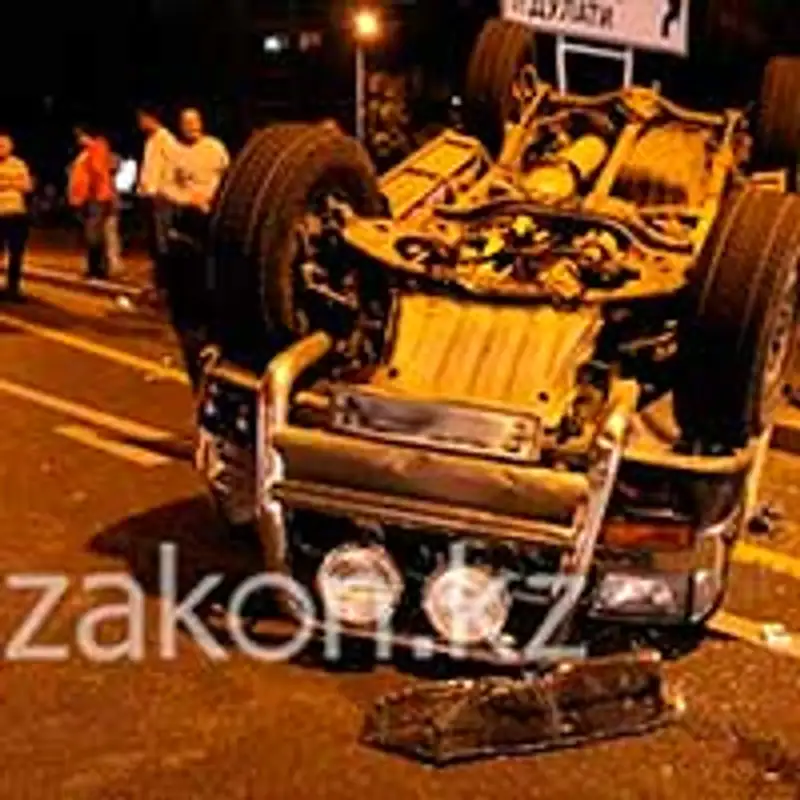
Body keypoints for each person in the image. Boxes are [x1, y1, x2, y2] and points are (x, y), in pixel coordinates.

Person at [160, 107, 230, 386]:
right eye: (185, 123)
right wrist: (188, 199)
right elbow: (165, 186)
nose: (191, 127)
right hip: (189, 218)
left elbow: (229, 175)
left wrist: (216, 199)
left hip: (215, 216)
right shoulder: (176, 153)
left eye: (194, 122)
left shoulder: (215, 148)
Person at [136, 105, 179, 292]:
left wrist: (162, 190)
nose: (140, 124)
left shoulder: (166, 139)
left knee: (163, 243)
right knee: (154, 243)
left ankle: (165, 284)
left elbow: (172, 167)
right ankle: (158, 283)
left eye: (142, 119)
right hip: (150, 196)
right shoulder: (152, 140)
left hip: (160, 197)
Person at [67, 125, 117, 279]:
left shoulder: (97, 148)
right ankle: (95, 267)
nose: (79, 139)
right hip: (90, 197)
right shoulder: (88, 151)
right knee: (93, 233)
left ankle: (96, 268)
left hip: (96, 197)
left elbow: (98, 172)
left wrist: (93, 192)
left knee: (94, 234)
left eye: (80, 135)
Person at [0, 134, 33, 300]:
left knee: (16, 253)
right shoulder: (17, 169)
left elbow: (27, 186)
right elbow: (20, 184)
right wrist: (13, 183)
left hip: (16, 213)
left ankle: (13, 288)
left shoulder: (19, 164)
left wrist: (4, 183)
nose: (2, 148)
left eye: (5, 145)